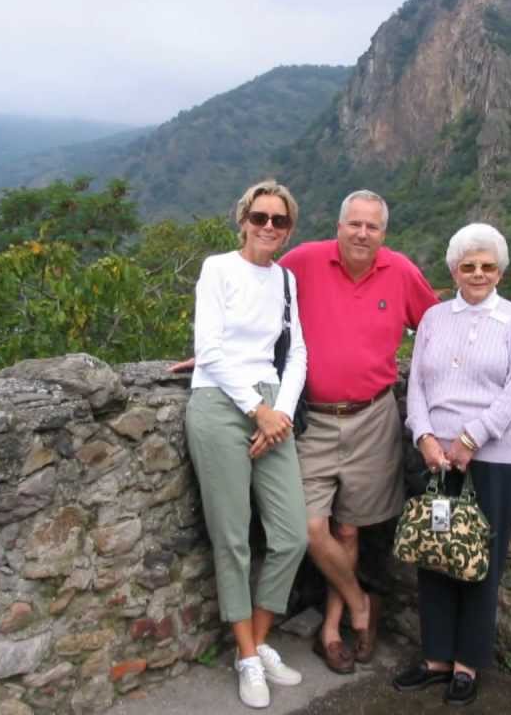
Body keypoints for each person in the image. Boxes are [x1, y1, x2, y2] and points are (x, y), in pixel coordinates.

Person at [277, 190, 440, 674]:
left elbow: (437, 328)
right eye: (355, 224)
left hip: (372, 418)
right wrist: (212, 355)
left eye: (372, 226)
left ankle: (331, 630)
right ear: (339, 225)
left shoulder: (401, 272)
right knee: (309, 527)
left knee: (348, 528)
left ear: (383, 233)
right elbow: (256, 304)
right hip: (313, 419)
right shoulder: (303, 262)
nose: (362, 233)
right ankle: (361, 605)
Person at [393, 223, 511, 706]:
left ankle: (467, 665)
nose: (478, 274)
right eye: (468, 265)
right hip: (436, 458)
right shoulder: (434, 318)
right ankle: (435, 657)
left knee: (481, 560)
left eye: (487, 266)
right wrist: (424, 435)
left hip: (494, 457)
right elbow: (417, 384)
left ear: (500, 271)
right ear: (454, 270)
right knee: (434, 553)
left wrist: (472, 438)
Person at [184, 180, 310, 709]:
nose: (268, 227)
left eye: (279, 220)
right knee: (233, 537)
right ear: (243, 220)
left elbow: (297, 352)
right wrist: (256, 409)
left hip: (271, 406)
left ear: (289, 229)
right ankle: (248, 655)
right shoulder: (218, 269)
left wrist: (280, 413)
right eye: (260, 217)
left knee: (292, 534)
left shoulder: (285, 280)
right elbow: (209, 349)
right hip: (219, 402)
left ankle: (254, 645)